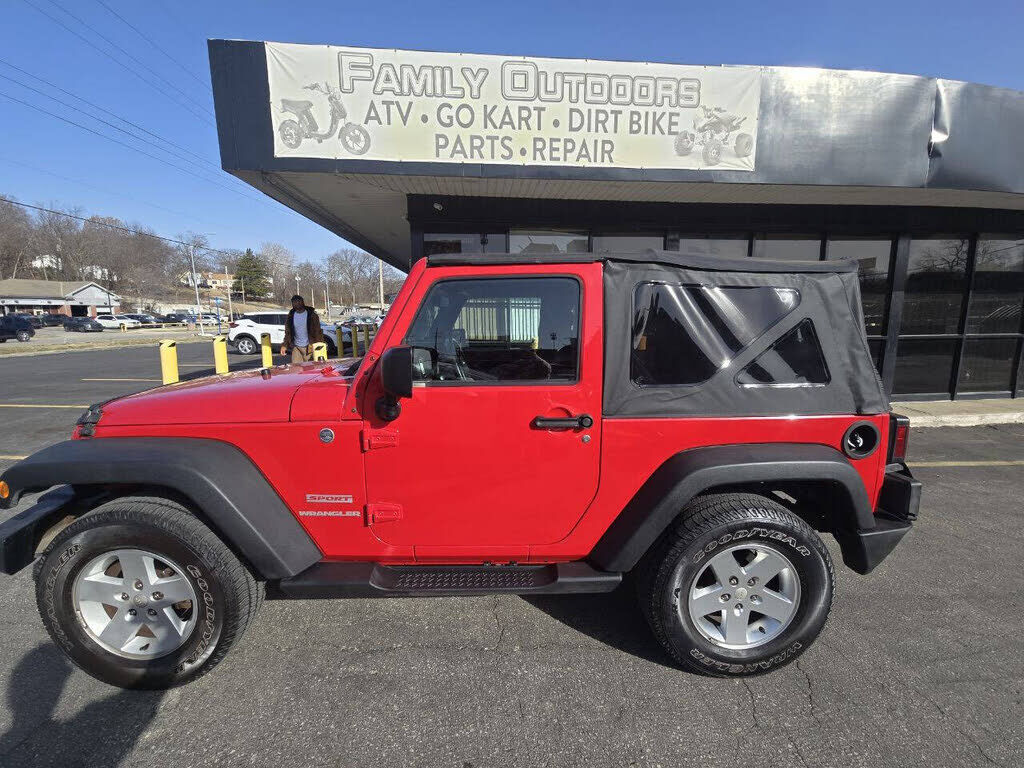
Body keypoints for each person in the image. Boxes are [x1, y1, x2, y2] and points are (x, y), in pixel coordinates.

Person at [281, 294, 324, 363]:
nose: (297, 303)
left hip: (310, 346)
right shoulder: (290, 316)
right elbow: (288, 333)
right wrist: (284, 345)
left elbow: (317, 331)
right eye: (294, 302)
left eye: (299, 301)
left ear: (303, 302)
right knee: (297, 370)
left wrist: (318, 345)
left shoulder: (312, 315)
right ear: (292, 304)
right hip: (296, 347)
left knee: (310, 369)